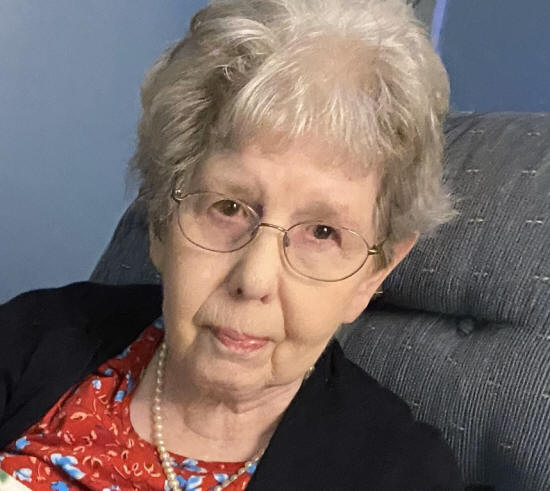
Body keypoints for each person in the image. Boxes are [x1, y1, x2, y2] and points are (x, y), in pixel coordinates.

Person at [0, 0, 463, 489]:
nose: (254, 278)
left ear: (374, 273)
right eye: (228, 207)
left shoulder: (402, 474)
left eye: (322, 232)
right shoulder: (35, 333)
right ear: (161, 221)